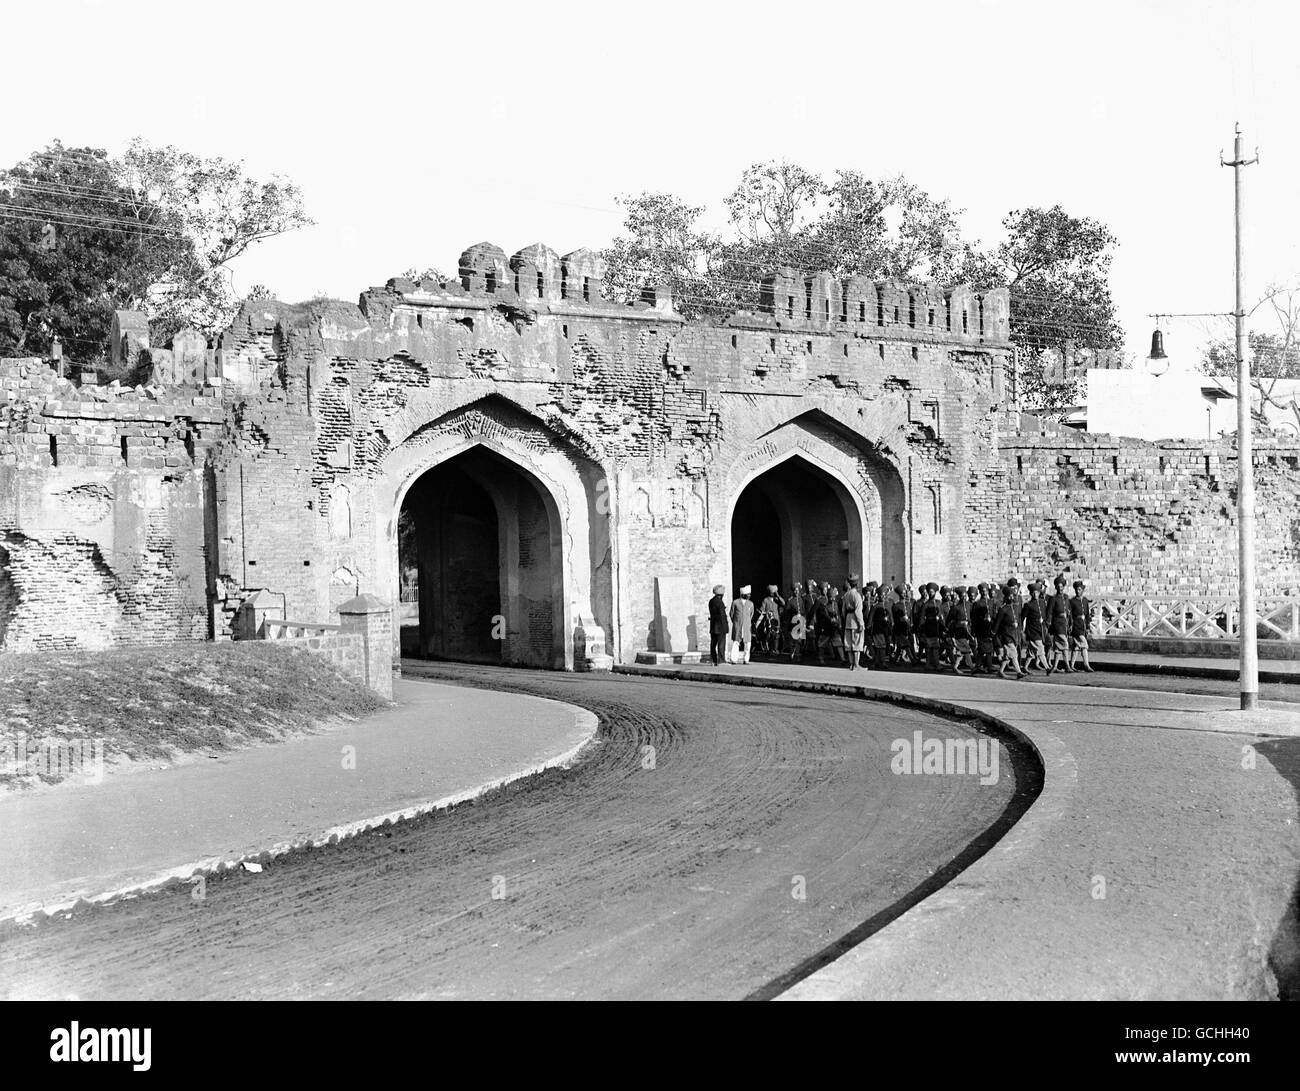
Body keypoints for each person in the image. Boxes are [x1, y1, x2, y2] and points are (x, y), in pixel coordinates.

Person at [996, 583, 1028, 679]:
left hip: (1014, 634)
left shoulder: (1015, 608)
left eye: (1012, 596)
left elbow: (1019, 619)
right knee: (1013, 653)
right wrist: (994, 634)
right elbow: (997, 623)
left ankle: (1000, 671)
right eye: (1009, 596)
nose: (1011, 597)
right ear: (1006, 597)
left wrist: (1020, 630)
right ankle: (1018, 672)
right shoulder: (1003, 609)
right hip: (1006, 634)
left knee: (1008, 655)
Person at [1045, 575, 1073, 675]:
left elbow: (1069, 611)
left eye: (1062, 587)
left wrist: (1070, 623)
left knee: (1058, 647)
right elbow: (1049, 612)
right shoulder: (1053, 599)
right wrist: (1048, 624)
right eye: (1058, 587)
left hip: (1065, 623)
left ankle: (1055, 666)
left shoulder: (1066, 597)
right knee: (1065, 644)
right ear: (1056, 587)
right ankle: (1067, 666)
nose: (1060, 588)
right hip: (1057, 624)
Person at [1068, 579, 1096, 672]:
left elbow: (1087, 614)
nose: (1078, 591)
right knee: (1084, 645)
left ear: (1082, 590)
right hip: (1076, 626)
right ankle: (1086, 664)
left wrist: (1087, 626)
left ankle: (1071, 665)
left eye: (1079, 589)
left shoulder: (1084, 600)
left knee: (1076, 647)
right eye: (1076, 589)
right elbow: (1070, 615)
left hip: (1083, 625)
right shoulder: (1072, 601)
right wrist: (1070, 625)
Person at [1021, 582, 1049, 672]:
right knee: (1040, 649)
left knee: (1031, 651)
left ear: (1039, 592)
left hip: (1040, 630)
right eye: (1033, 592)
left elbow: (1044, 614)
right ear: (1030, 593)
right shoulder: (1028, 605)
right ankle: (1047, 668)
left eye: (1036, 592)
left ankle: (1025, 667)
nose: (1035, 594)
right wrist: (1022, 630)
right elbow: (1022, 618)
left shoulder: (1042, 602)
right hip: (1032, 631)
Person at [948, 585, 975, 674]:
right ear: (959, 597)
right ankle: (971, 667)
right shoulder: (956, 607)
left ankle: (955, 667)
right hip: (959, 631)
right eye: (962, 596)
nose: (964, 597)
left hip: (967, 631)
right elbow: (950, 621)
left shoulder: (969, 605)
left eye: (965, 596)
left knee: (962, 651)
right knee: (966, 649)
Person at [842, 574, 865, 671]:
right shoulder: (857, 595)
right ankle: (856, 664)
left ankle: (851, 664)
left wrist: (845, 619)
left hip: (848, 619)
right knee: (857, 643)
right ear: (857, 584)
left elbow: (843, 610)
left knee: (849, 643)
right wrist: (861, 623)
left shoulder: (846, 595)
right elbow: (858, 611)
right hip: (855, 620)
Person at [920, 583, 945, 671]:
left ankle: (935, 663)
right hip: (929, 627)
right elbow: (922, 618)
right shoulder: (926, 604)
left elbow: (941, 616)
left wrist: (943, 626)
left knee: (936, 647)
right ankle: (930, 664)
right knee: (929, 647)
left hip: (937, 627)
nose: (931, 594)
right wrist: (922, 629)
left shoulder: (938, 603)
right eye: (929, 592)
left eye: (932, 592)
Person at [970, 583, 995, 674]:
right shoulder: (977, 604)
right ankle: (988, 666)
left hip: (990, 628)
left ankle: (978, 666)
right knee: (986, 649)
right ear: (980, 592)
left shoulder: (991, 602)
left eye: (986, 591)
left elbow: (994, 614)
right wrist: (974, 631)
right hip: (981, 629)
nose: (984, 593)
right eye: (982, 591)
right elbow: (974, 618)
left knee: (984, 650)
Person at [868, 588, 893, 670]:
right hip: (878, 629)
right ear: (878, 596)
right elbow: (871, 618)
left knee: (881, 646)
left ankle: (878, 662)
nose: (882, 596)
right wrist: (869, 627)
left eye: (884, 595)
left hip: (885, 629)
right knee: (880, 646)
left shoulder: (886, 606)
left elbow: (889, 617)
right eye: (881, 595)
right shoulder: (875, 607)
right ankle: (882, 662)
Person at [729, 584, 754, 665]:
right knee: (736, 642)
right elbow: (731, 614)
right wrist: (736, 622)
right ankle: (734, 659)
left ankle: (746, 659)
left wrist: (747, 622)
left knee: (748, 644)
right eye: (748, 594)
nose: (749, 596)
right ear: (743, 594)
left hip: (747, 626)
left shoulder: (750, 604)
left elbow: (751, 614)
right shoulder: (735, 602)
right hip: (738, 626)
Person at [891, 584, 914, 665]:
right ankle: (912, 660)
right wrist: (902, 619)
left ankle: (895, 660)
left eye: (905, 593)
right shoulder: (896, 606)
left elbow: (911, 615)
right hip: (899, 628)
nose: (904, 594)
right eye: (902, 593)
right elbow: (895, 619)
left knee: (900, 646)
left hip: (907, 628)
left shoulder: (908, 604)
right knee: (905, 644)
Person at [758, 584, 784, 655]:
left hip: (776, 620)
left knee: (777, 635)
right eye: (772, 592)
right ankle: (770, 649)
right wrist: (766, 614)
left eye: (775, 592)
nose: (773, 593)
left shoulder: (776, 600)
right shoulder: (765, 600)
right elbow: (762, 610)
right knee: (770, 635)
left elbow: (783, 603)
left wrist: (778, 595)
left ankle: (775, 649)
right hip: (769, 620)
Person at [708, 584, 728, 666]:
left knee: (713, 644)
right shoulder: (720, 602)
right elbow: (722, 615)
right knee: (721, 644)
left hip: (713, 625)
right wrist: (726, 627)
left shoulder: (711, 601)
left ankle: (713, 660)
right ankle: (721, 661)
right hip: (720, 626)